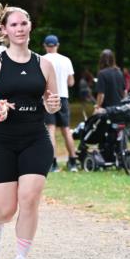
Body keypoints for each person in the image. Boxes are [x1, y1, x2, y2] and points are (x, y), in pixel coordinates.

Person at [0, 0, 60, 259]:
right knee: (6, 209)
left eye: (23, 23)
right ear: (5, 30)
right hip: (0, 139)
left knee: (29, 198)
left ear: (30, 26)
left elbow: (52, 103)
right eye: (14, 24)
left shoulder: (45, 64)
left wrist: (52, 105)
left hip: (35, 138)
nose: (19, 28)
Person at [42, 35, 78, 172]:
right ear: (57, 45)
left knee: (50, 130)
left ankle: (53, 163)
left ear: (45, 46)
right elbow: (71, 82)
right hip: (62, 97)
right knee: (66, 130)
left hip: (49, 96)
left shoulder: (42, 60)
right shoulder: (66, 60)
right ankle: (73, 162)